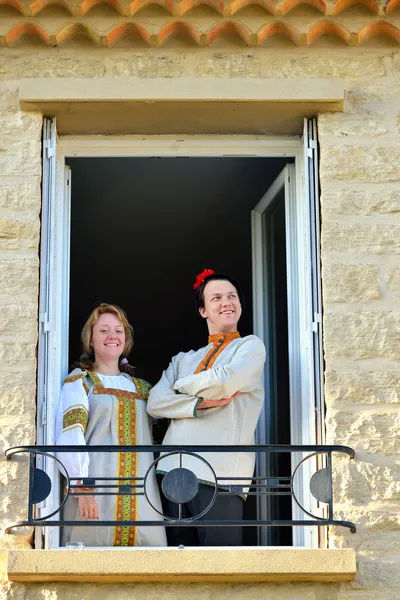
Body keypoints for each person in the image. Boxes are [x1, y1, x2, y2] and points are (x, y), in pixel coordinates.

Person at [147, 269, 266, 546]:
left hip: (221, 475)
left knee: (220, 563)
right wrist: (198, 404)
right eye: (217, 298)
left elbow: (227, 380)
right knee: (177, 565)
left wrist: (179, 386)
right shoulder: (183, 359)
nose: (227, 302)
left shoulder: (250, 347)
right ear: (203, 310)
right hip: (172, 472)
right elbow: (154, 402)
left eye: (232, 296)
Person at [55, 303, 166, 547]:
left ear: (125, 341)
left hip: (143, 498)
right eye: (103, 330)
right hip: (96, 496)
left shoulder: (144, 389)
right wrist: (82, 491)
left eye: (119, 330)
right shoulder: (80, 382)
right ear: (91, 340)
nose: (112, 336)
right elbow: (70, 436)